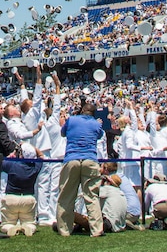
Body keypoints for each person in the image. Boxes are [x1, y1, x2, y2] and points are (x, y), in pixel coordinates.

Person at [55, 100, 103, 237]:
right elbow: (99, 135)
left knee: (66, 196)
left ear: (82, 110)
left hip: (72, 158)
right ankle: (96, 230)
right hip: (90, 160)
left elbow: (63, 133)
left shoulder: (71, 120)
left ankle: (64, 230)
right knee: (92, 196)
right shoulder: (96, 124)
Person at [0, 143, 43, 236]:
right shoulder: (35, 167)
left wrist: (13, 153)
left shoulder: (11, 164)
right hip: (28, 199)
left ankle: (10, 228)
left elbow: (1, 162)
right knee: (30, 223)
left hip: (11, 198)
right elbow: (41, 156)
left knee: (6, 223)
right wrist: (32, 147)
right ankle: (28, 227)